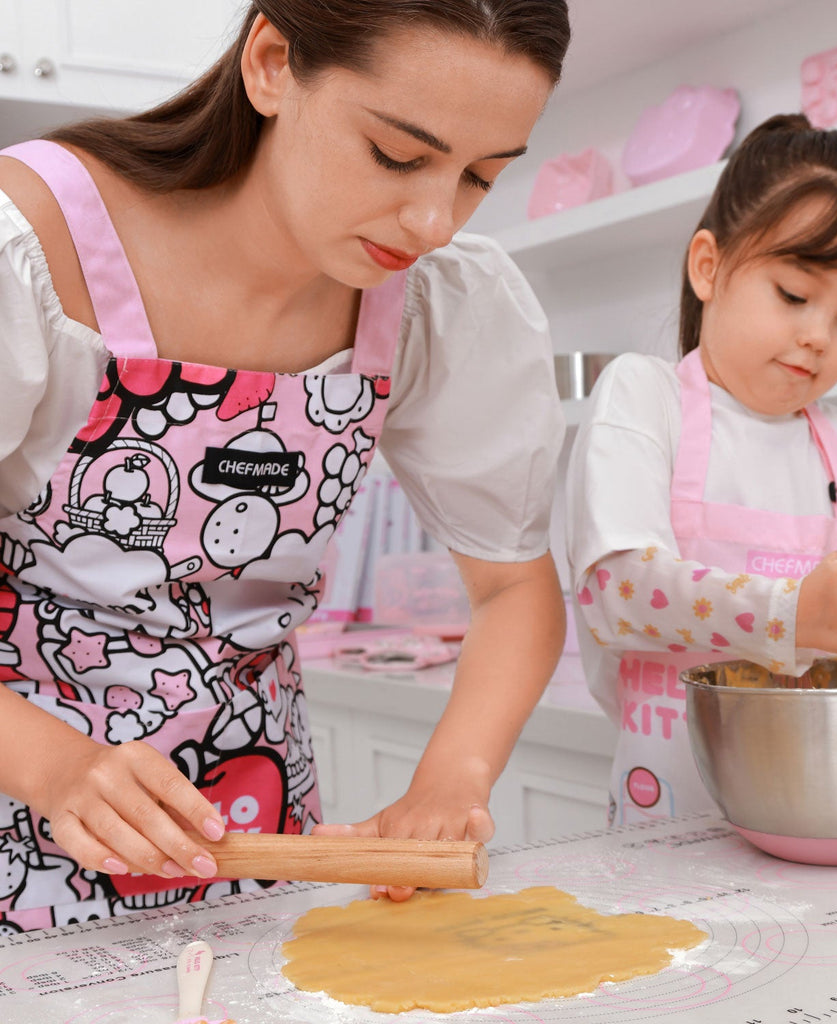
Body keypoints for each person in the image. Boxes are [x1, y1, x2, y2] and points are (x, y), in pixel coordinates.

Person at [0, 0, 570, 931]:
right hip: (20, 813)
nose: (432, 219)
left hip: (261, 826)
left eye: (480, 178)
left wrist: (449, 780)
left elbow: (514, 588)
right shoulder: (30, 247)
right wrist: (54, 766)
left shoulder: (432, 303)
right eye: (397, 154)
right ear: (271, 62)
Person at [565, 113, 837, 827]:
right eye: (795, 295)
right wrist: (795, 613)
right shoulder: (643, 396)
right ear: (709, 267)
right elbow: (617, 591)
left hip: (813, 809)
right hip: (670, 815)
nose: (817, 337)